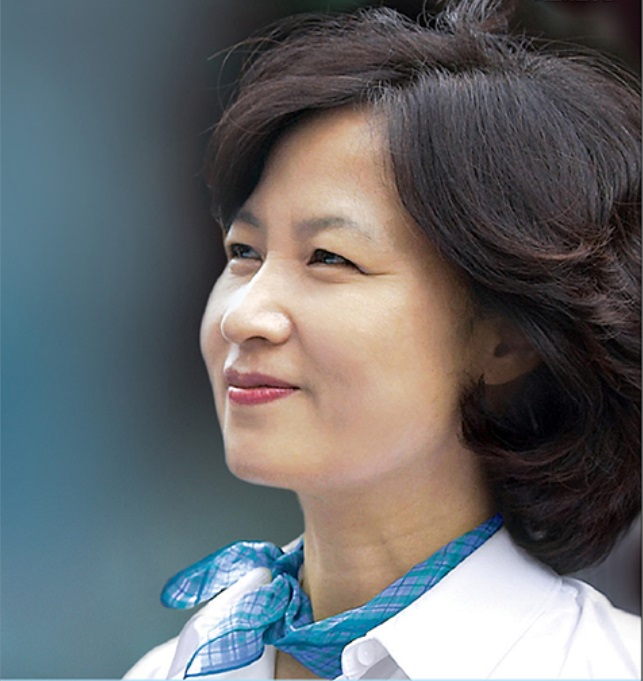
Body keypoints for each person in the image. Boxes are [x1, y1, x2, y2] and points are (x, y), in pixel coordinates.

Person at [125, 0, 641, 678]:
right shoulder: (174, 667)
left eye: (329, 258)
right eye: (243, 252)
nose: (242, 316)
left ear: (508, 338)